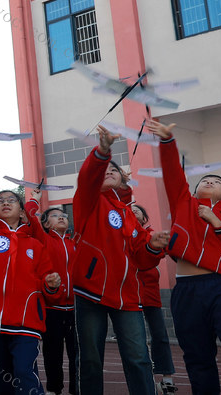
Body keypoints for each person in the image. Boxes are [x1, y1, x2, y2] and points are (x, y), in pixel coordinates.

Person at [147, 119, 221, 394]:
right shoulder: (184, 203)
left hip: (220, 289)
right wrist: (167, 141)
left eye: (217, 182)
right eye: (205, 180)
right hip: (185, 290)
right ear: (195, 190)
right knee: (198, 359)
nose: (209, 181)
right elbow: (172, 173)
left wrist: (217, 222)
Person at [71, 125, 169, 395]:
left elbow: (143, 259)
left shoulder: (130, 215)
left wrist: (153, 246)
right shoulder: (88, 201)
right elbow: (88, 176)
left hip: (127, 296)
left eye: (114, 169)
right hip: (90, 291)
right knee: (91, 359)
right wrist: (103, 151)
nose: (108, 171)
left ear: (124, 180)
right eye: (104, 169)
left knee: (138, 358)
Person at [0, 146, 62, 395]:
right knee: (0, 384)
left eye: (12, 200)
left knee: (26, 376)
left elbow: (51, 292)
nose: (5, 202)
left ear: (23, 210)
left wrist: (51, 284)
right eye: (0, 201)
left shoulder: (35, 245)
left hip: (25, 324)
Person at [129, 203, 176, 395]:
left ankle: (167, 379)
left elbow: (160, 252)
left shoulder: (151, 235)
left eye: (138, 211)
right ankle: (145, 380)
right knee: (136, 340)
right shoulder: (125, 234)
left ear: (144, 217)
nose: (134, 212)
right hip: (130, 292)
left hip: (150, 292)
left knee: (159, 335)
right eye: (130, 211)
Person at [38, 204, 77, 395]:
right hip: (52, 307)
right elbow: (32, 224)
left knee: (77, 353)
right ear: (46, 224)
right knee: (53, 353)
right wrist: (35, 201)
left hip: (76, 309)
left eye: (64, 216)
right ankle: (54, 389)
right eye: (55, 216)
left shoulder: (75, 242)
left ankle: (77, 389)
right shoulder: (44, 240)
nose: (61, 217)